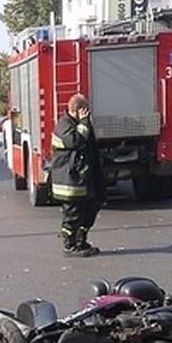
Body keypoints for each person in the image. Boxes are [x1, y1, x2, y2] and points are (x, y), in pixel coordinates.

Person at [50, 93, 105, 257]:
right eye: (86, 110)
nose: (88, 114)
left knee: (91, 208)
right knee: (72, 215)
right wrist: (84, 122)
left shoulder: (79, 123)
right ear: (80, 110)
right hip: (70, 182)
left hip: (82, 179)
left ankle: (81, 240)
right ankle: (70, 245)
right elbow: (76, 142)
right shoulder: (64, 125)